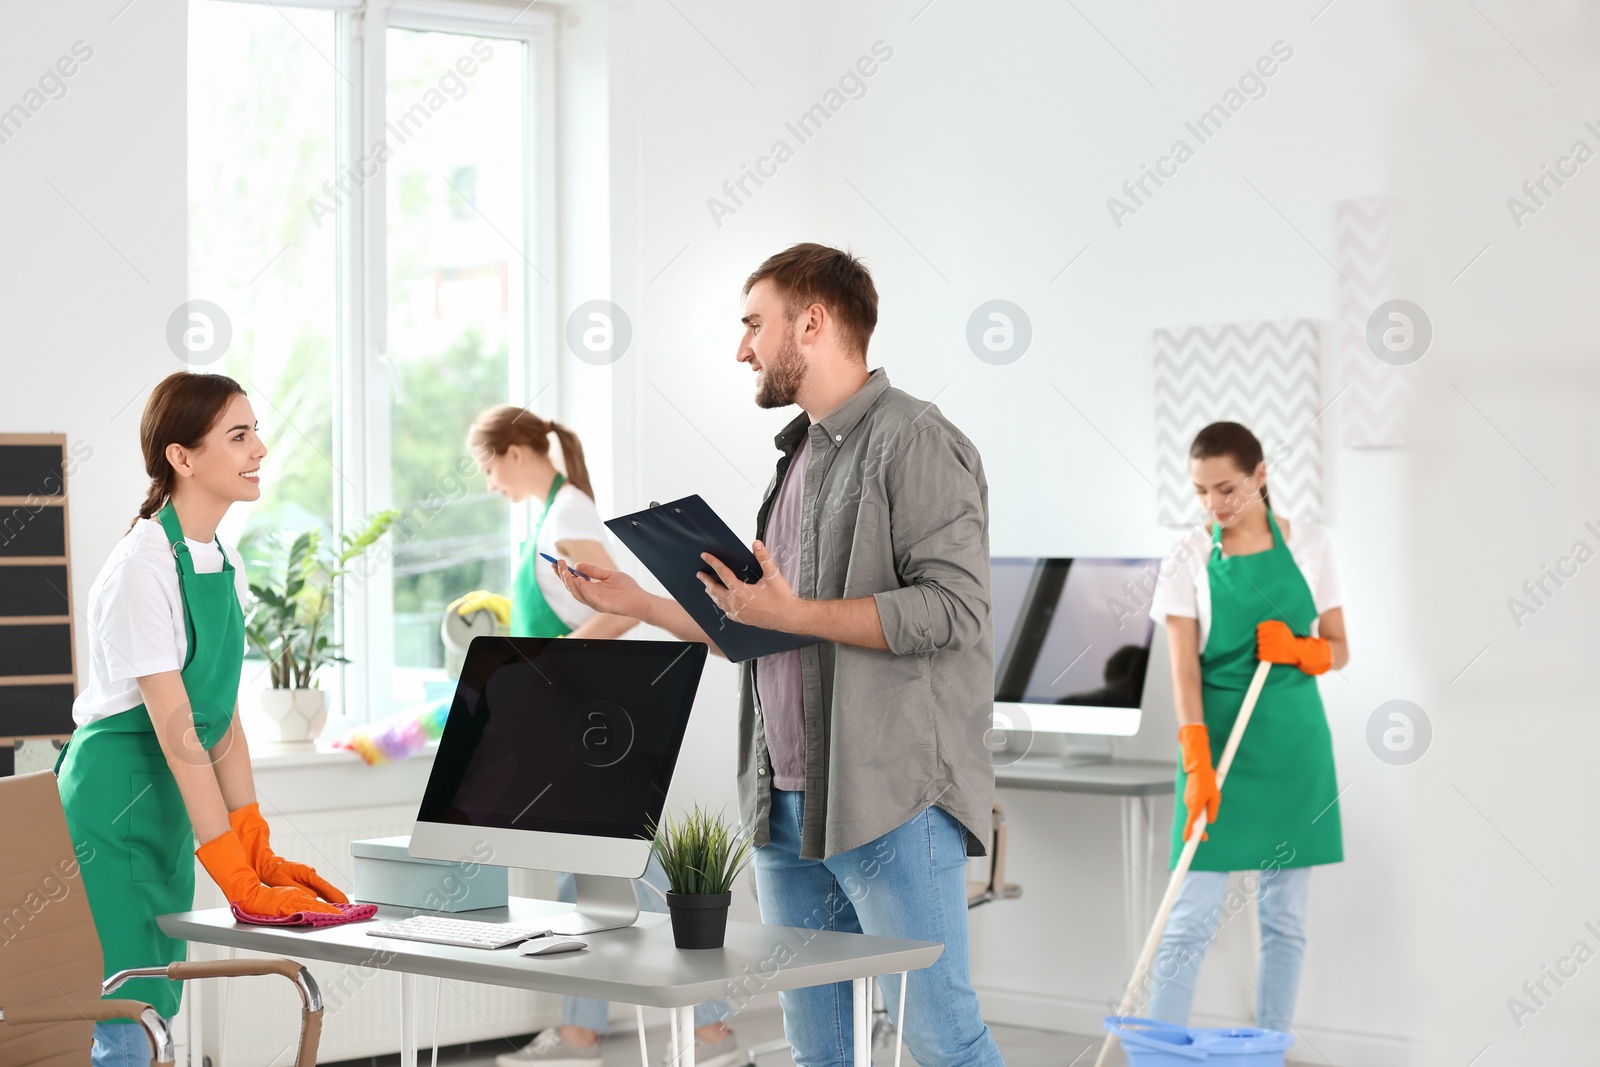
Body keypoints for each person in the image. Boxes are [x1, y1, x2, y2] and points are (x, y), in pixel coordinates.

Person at [552, 243, 1005, 1067]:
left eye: (753, 324)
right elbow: (767, 627)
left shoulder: (917, 441)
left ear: (814, 320)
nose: (742, 348)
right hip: (786, 804)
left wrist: (795, 610)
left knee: (944, 1040)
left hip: (891, 800)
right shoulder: (797, 456)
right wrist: (642, 603)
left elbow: (958, 608)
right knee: (817, 1047)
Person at [57, 372, 347, 1067]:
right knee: (128, 1001)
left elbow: (221, 720)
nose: (261, 449)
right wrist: (228, 866)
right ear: (182, 457)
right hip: (115, 797)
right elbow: (177, 729)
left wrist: (254, 846)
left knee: (159, 991)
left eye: (256, 430)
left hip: (166, 800)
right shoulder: (142, 568)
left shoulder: (224, 559)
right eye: (239, 435)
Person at [459, 406, 739, 1067]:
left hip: (589, 724)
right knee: (590, 879)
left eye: (487, 467)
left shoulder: (567, 517)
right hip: (573, 723)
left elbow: (621, 613)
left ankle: (708, 1028)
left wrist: (541, 667)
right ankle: (606, 1033)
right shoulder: (557, 513)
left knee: (630, 872)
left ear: (517, 451)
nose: (489, 483)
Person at [1145, 421, 1349, 1034]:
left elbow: (1339, 648)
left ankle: (1268, 1049)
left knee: (1285, 921)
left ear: (1261, 476)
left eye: (1227, 489)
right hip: (1219, 750)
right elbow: (1183, 670)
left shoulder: (1312, 545)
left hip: (1294, 750)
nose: (1214, 505)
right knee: (1188, 919)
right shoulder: (1188, 554)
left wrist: (1300, 649)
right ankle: (1160, 1051)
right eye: (1201, 491)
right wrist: (1195, 761)